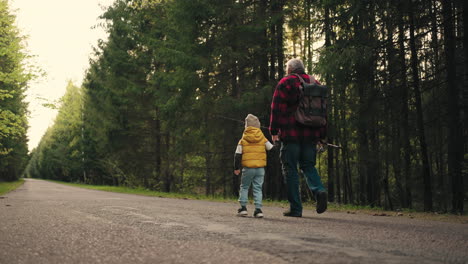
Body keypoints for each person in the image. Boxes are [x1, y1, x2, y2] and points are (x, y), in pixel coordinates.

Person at [269, 58, 328, 217]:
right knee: (308, 165)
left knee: (290, 169)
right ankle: (319, 191)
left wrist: (274, 130)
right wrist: (322, 135)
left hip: (291, 134)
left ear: (290, 70)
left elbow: (276, 107)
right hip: (312, 134)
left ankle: (296, 208)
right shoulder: (315, 82)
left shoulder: (286, 82)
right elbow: (322, 112)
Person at [234, 114, 274, 218]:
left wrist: (236, 168)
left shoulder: (243, 140)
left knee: (244, 187)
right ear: (258, 126)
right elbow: (271, 148)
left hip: (248, 168)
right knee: (258, 188)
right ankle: (258, 210)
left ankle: (243, 208)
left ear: (246, 126)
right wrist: (277, 141)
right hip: (260, 168)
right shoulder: (263, 138)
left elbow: (237, 155)